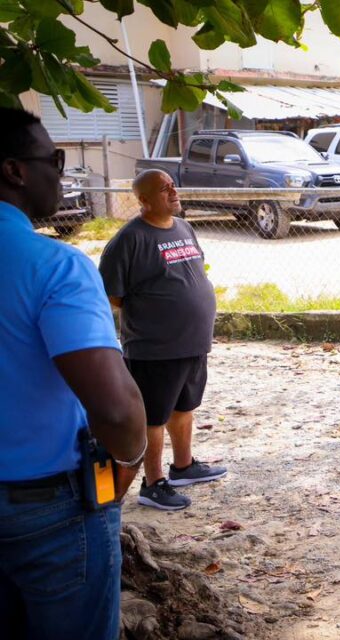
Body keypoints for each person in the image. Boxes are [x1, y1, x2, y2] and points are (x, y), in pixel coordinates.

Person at [0, 107, 148, 639]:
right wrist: (125, 470)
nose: (61, 173)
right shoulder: (53, 266)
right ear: (14, 170)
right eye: (54, 159)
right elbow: (115, 407)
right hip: (48, 512)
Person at [99, 169, 226, 512]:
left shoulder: (184, 227)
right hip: (155, 349)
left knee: (185, 408)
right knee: (154, 417)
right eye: (163, 188)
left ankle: (183, 467)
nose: (173, 191)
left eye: (173, 185)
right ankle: (152, 484)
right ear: (142, 200)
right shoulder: (130, 239)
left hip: (192, 343)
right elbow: (112, 295)